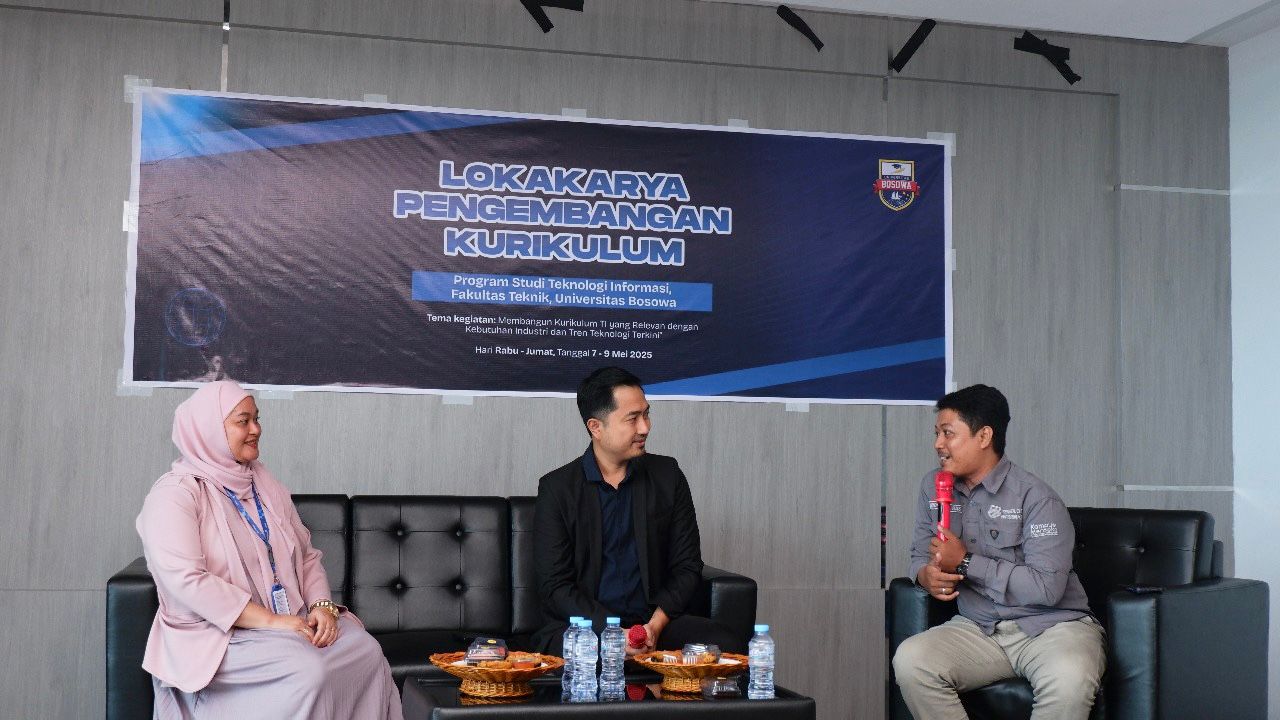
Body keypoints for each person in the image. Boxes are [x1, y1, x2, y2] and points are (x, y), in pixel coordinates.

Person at [136, 380, 403, 719]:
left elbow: (306, 555)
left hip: (286, 623)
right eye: (243, 421)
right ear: (209, 429)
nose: (256, 429)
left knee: (365, 650)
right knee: (307, 671)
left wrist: (322, 606)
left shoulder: (263, 483)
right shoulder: (175, 494)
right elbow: (186, 580)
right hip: (218, 636)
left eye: (256, 419)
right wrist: (273, 622)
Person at [892, 384, 1105, 719]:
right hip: (979, 628)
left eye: (948, 433)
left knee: (1069, 680)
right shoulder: (933, 486)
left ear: (984, 436)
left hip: (1051, 627)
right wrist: (925, 575)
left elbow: (1047, 588)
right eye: (936, 434)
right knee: (912, 660)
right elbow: (919, 553)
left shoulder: (1036, 497)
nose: (938, 444)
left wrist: (965, 562)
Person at [531, 367, 739, 656]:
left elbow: (688, 566)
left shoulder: (668, 475)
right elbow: (555, 587)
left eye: (646, 414)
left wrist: (654, 626)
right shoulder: (557, 489)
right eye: (633, 418)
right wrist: (615, 634)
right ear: (596, 427)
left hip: (655, 626)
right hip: (587, 629)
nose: (645, 428)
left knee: (726, 645)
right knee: (587, 655)